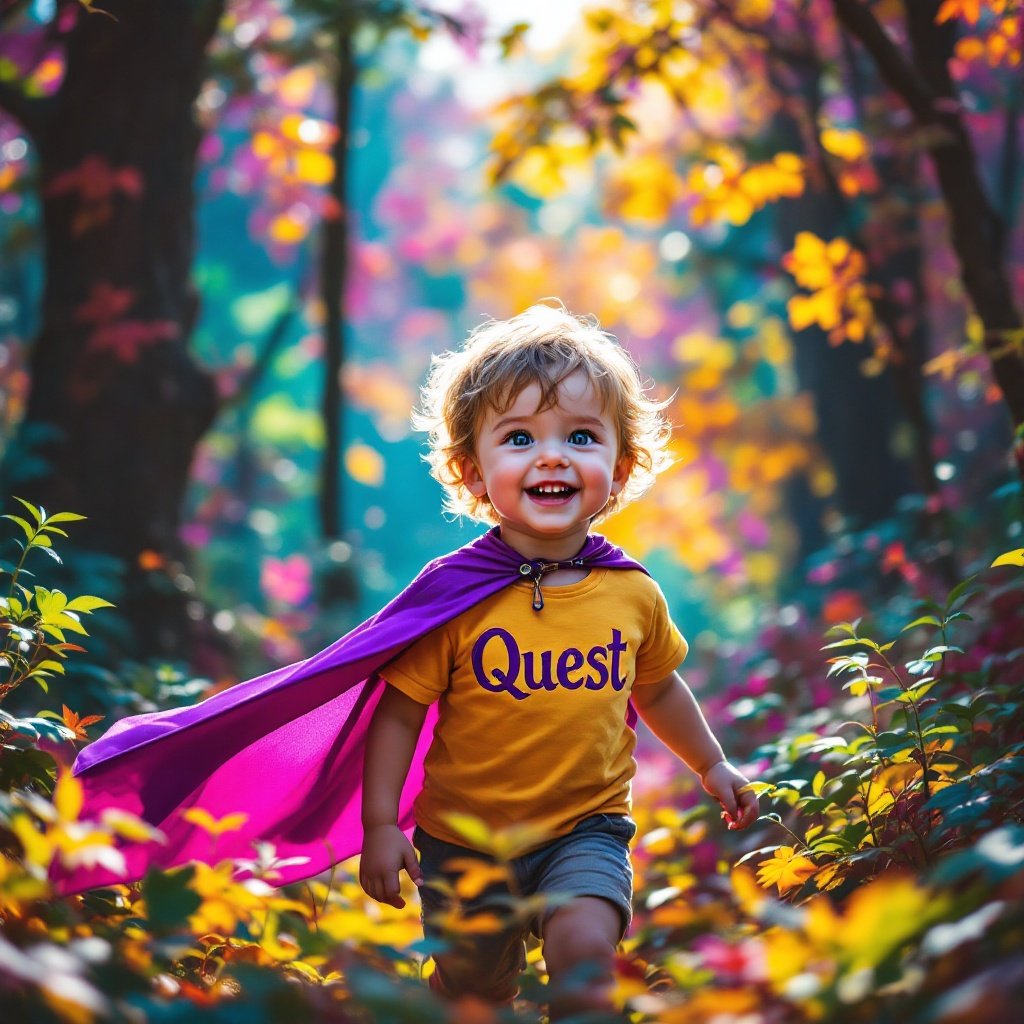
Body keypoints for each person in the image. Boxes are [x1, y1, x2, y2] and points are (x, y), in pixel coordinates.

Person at [358, 302, 759, 1017]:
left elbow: (658, 690)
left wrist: (711, 764)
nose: (552, 457)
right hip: (463, 841)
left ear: (620, 463)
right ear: (472, 470)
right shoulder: (453, 597)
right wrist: (382, 824)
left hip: (586, 829)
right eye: (518, 438)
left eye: (580, 435)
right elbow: (398, 712)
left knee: (584, 959)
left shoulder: (632, 593)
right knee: (476, 994)